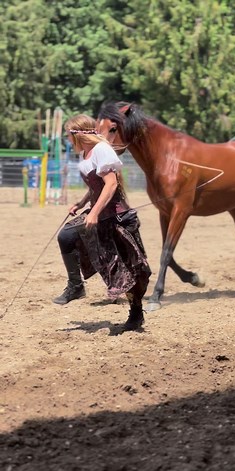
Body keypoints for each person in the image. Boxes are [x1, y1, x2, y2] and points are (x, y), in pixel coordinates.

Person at [53, 114, 151, 331]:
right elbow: (96, 186)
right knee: (66, 236)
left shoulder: (101, 150)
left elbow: (111, 184)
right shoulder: (87, 154)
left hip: (117, 218)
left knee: (126, 271)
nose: (67, 140)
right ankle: (76, 286)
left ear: (78, 134)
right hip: (100, 213)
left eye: (68, 135)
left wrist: (94, 213)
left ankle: (135, 314)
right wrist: (81, 204)